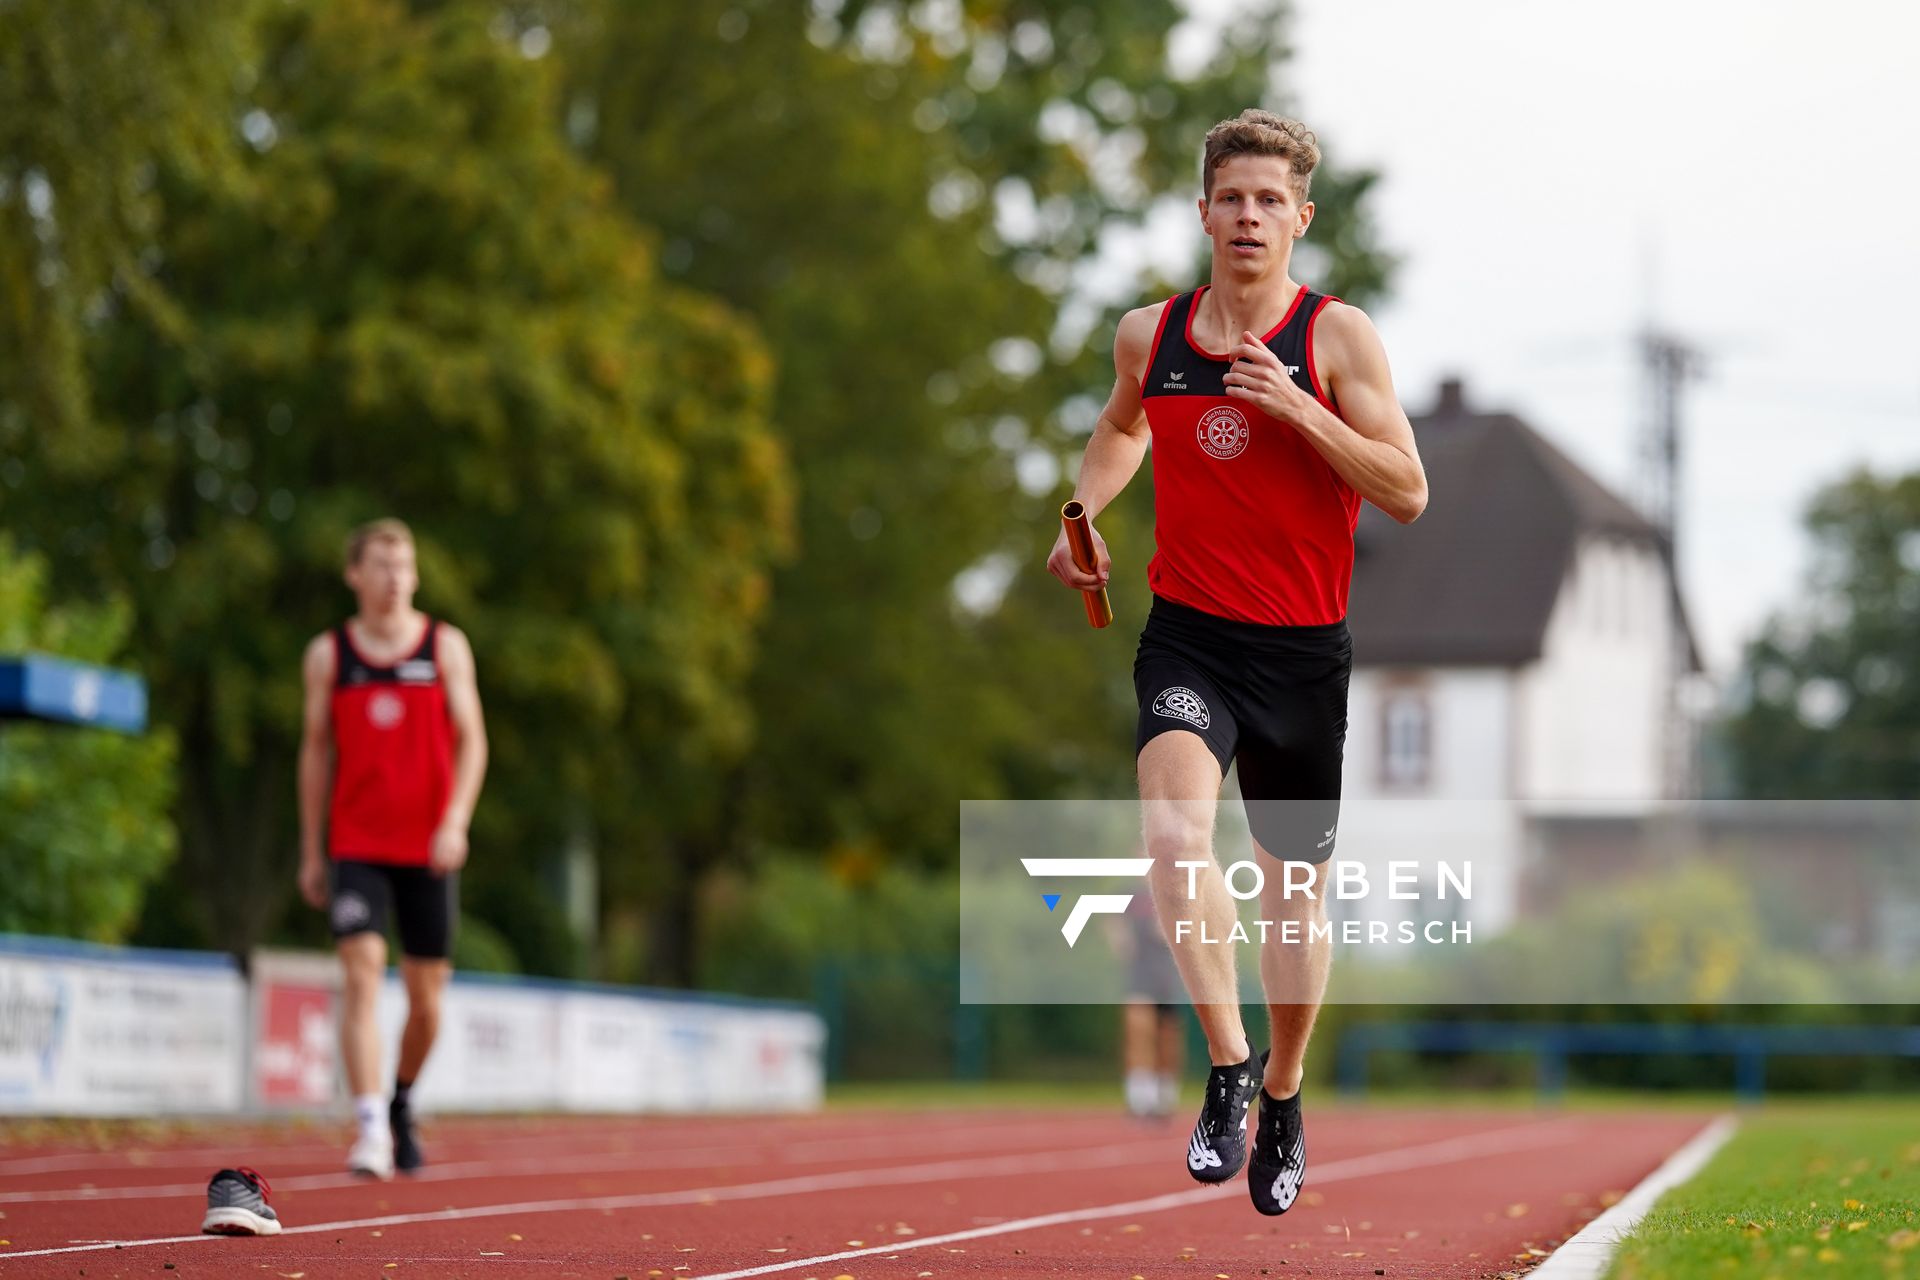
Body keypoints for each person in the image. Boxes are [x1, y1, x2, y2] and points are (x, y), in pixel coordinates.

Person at [1046, 110, 1426, 1216]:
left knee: (1291, 903)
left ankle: (1287, 1088)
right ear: (1203, 211)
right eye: (1232, 197)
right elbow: (1123, 430)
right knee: (1171, 837)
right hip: (1190, 634)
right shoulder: (1149, 335)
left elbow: (1405, 489)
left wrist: (1296, 406)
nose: (1249, 216)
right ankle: (1224, 1065)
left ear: (1302, 218)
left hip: (1304, 652)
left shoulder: (1337, 336)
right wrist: (1082, 508)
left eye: (1271, 200)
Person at [297, 518, 488, 1179]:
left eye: (404, 565)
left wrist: (456, 820)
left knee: (427, 998)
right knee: (359, 974)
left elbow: (474, 740)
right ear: (354, 574)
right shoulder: (329, 655)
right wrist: (312, 850)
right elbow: (314, 752)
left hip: (429, 845)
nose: (394, 578)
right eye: (380, 565)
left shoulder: (445, 647)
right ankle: (371, 1126)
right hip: (357, 841)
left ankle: (402, 1097)